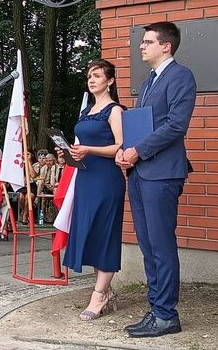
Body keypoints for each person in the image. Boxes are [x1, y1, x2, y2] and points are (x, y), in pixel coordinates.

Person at [115, 22, 196, 338]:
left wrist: (137, 150)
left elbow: (176, 125)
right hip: (140, 172)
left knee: (161, 244)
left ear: (166, 46)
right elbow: (143, 126)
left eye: (148, 41)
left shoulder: (180, 76)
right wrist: (125, 151)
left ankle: (166, 315)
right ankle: (156, 310)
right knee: (148, 245)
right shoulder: (149, 81)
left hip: (162, 174)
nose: (141, 46)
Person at [55, 60, 125, 321]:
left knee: (104, 233)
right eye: (89, 77)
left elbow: (121, 146)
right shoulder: (86, 111)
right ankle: (105, 290)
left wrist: (89, 149)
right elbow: (81, 145)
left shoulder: (115, 110)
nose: (92, 80)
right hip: (84, 178)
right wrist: (68, 155)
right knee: (92, 233)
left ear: (110, 81)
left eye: (97, 76)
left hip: (106, 179)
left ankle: (98, 295)